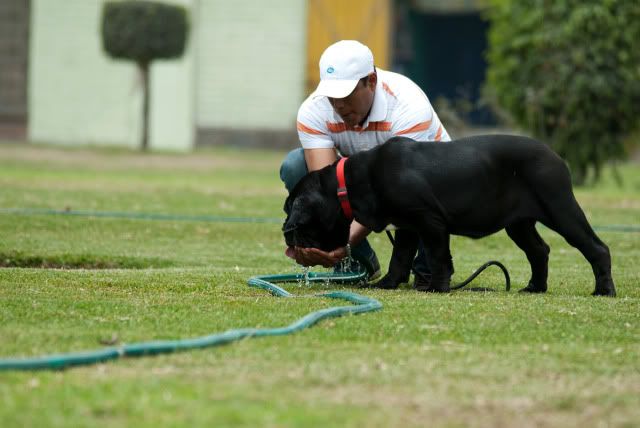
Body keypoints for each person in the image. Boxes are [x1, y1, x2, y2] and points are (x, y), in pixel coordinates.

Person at [280, 40, 451, 287]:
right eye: (331, 96)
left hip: (426, 182)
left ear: (371, 81)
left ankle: (428, 267)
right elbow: (324, 191)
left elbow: (392, 191)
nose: (338, 105)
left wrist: (343, 243)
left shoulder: (408, 105)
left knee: (419, 187)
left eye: (345, 95)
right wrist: (326, 242)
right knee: (295, 165)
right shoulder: (313, 110)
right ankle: (357, 264)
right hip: (367, 180)